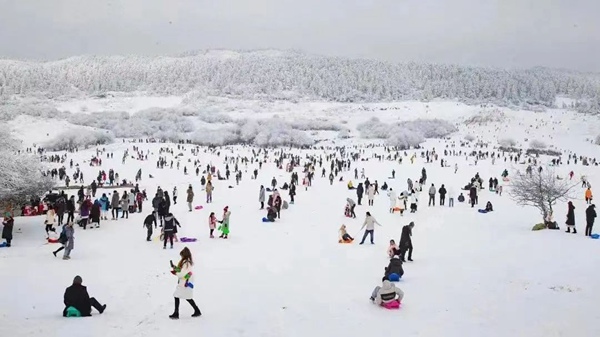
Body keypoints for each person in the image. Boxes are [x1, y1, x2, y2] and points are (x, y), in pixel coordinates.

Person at [169, 247, 201, 319]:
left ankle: (176, 313)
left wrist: (175, 273)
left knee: (178, 296)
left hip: (185, 282)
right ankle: (197, 310)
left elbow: (182, 273)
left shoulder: (186, 262)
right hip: (185, 282)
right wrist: (175, 268)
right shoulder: (186, 262)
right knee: (186, 297)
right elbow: (182, 270)